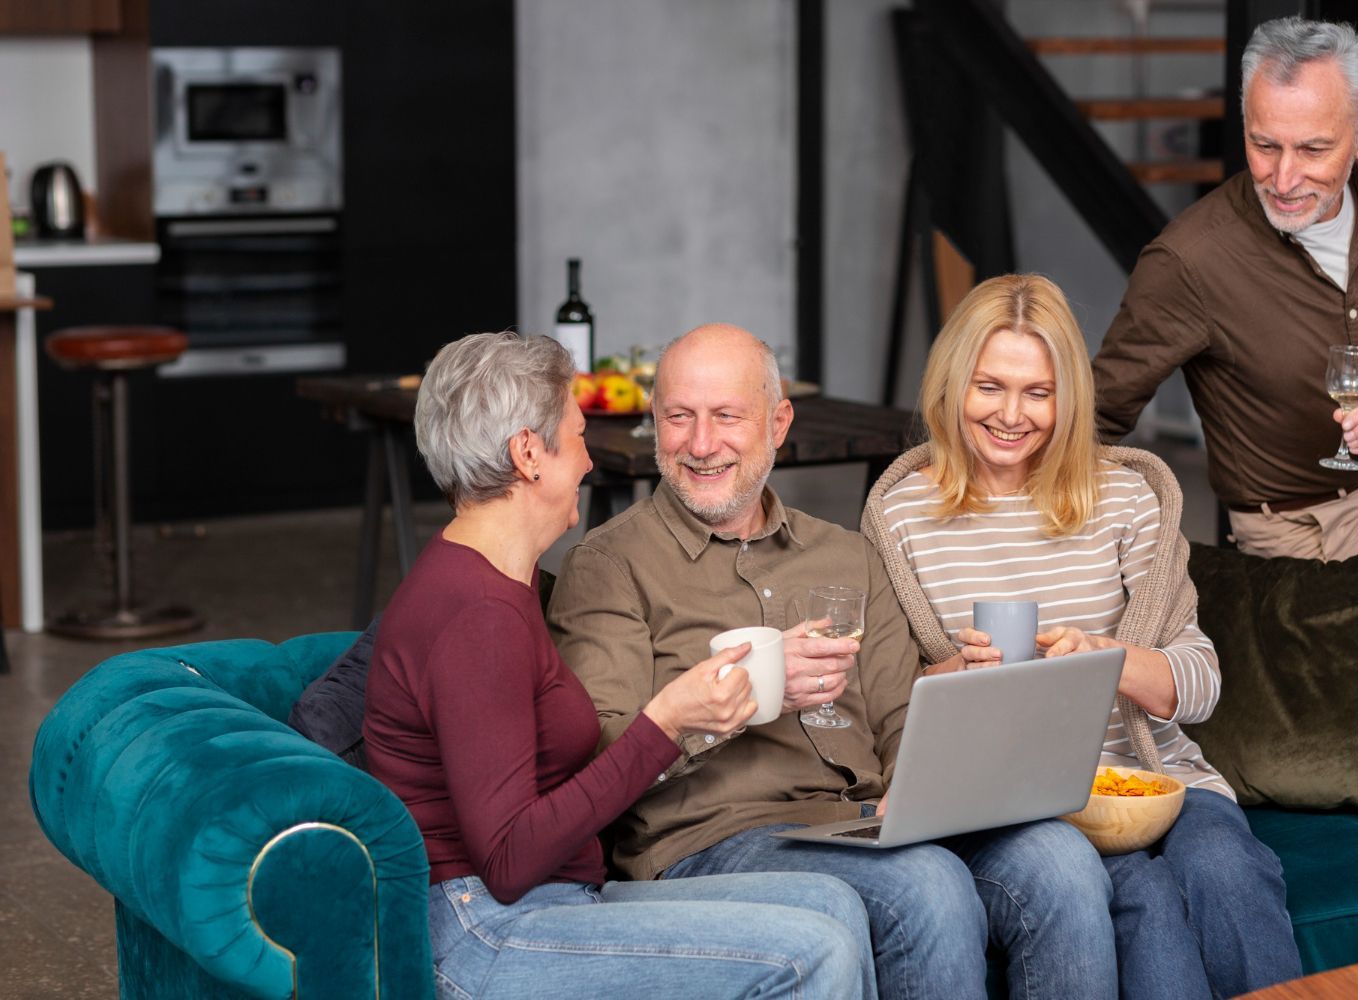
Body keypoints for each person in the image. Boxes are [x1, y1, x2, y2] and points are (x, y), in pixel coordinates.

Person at [549, 322, 1118, 1000]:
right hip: (713, 838)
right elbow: (597, 759)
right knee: (925, 887)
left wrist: (950, 774)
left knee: (1063, 861)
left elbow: (901, 715)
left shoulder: (845, 554)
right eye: (679, 418)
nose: (701, 445)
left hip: (866, 821)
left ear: (778, 422)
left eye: (727, 416)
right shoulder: (610, 565)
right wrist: (750, 692)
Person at [362, 332, 877, 999]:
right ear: (528, 454)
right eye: (577, 436)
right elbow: (509, 860)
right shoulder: (477, 614)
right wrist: (665, 724)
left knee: (834, 906)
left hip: (553, 900)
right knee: (812, 949)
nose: (587, 461)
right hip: (481, 931)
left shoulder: (500, 580)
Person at [862, 273, 1302, 999]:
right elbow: (882, 700)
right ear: (950, 387)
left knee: (1228, 871)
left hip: (1162, 780)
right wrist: (945, 676)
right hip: (1026, 802)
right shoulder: (902, 516)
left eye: (1038, 392)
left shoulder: (1124, 496)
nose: (1011, 415)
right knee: (1144, 906)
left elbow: (1199, 682)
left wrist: (1107, 660)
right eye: (989, 386)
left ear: (1069, 397)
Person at [1092, 16, 1358, 597]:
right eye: (1264, 144)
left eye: (1313, 148)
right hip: (1317, 523)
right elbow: (1098, 411)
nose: (1283, 178)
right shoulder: (1189, 260)